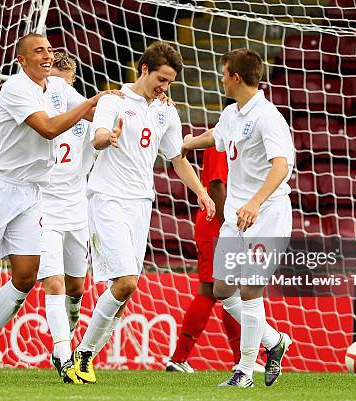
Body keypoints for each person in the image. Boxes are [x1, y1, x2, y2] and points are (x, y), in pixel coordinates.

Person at [0, 33, 115, 382]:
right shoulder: (16, 89)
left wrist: (126, 101)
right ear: (22, 60)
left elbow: (94, 111)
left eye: (48, 49)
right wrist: (91, 102)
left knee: (27, 275)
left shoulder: (56, 88)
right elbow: (47, 128)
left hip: (32, 192)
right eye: (38, 51)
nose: (46, 56)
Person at [64, 41, 216, 385]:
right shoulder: (113, 100)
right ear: (144, 69)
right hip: (107, 198)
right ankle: (83, 355)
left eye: (170, 82)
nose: (164, 87)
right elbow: (98, 137)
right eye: (161, 79)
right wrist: (108, 137)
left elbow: (177, 157)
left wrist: (202, 192)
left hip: (140, 204)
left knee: (124, 293)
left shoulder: (165, 110)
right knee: (126, 282)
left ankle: (80, 358)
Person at [180, 48, 295, 388]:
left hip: (267, 214)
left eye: (224, 72)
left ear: (236, 78)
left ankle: (245, 371)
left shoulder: (268, 117)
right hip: (236, 215)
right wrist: (189, 143)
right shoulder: (233, 112)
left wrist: (257, 202)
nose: (220, 78)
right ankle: (274, 342)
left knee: (249, 289)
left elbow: (281, 165)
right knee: (222, 288)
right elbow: (216, 137)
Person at [38, 51, 95, 380]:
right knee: (54, 282)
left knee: (76, 286)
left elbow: (106, 133)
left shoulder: (83, 118)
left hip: (76, 209)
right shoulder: (38, 115)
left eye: (65, 82)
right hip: (43, 208)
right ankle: (63, 352)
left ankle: (66, 337)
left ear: (72, 82)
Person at [166, 145, 248, 373]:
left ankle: (240, 359)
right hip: (217, 224)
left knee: (228, 290)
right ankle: (180, 358)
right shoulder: (220, 140)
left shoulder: (229, 135)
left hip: (217, 223)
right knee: (212, 289)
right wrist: (228, 225)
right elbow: (215, 185)